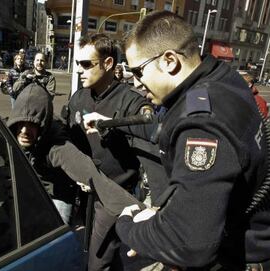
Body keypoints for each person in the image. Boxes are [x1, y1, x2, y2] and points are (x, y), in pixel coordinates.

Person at [85, 11, 270, 270]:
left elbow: (190, 243)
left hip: (237, 258)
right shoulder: (219, 78)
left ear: (170, 60)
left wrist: (128, 224)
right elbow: (161, 131)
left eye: (138, 71)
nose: (136, 83)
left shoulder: (202, 124)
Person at [64, 33, 153, 270]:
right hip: (83, 191)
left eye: (86, 64)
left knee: (98, 260)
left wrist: (108, 124)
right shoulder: (78, 97)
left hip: (113, 195)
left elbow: (150, 123)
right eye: (77, 64)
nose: (79, 70)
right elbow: (69, 138)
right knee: (86, 249)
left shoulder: (130, 101)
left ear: (108, 63)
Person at [7, 81, 135, 224]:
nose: (24, 131)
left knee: (59, 235)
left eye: (32, 125)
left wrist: (137, 211)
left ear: (42, 126)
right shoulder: (8, 131)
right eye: (21, 123)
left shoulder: (57, 145)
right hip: (30, 186)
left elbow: (91, 175)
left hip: (59, 192)